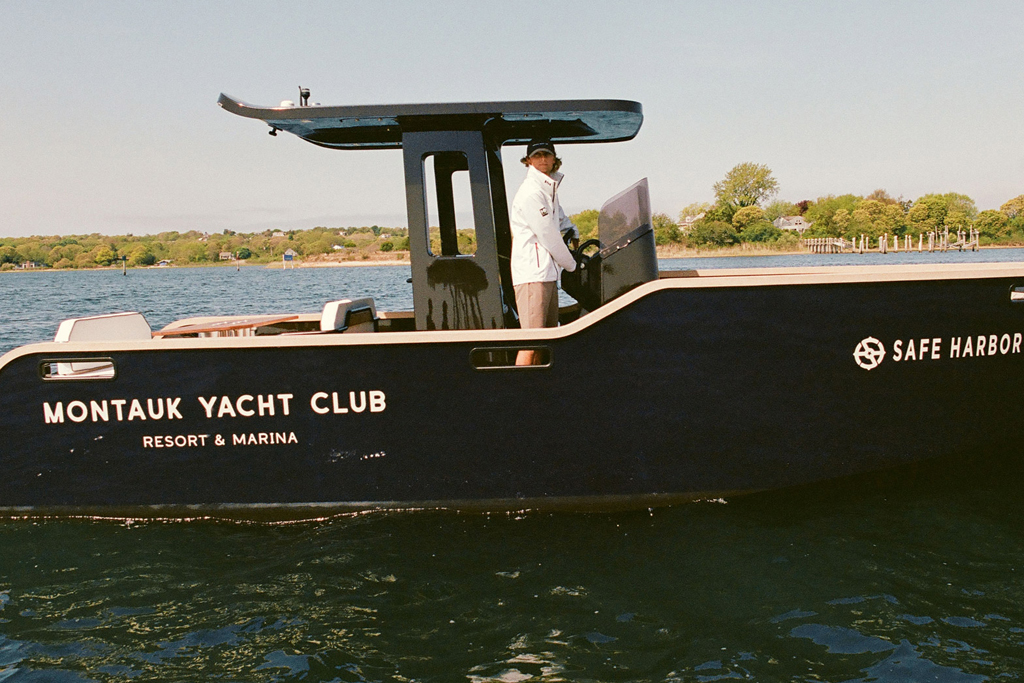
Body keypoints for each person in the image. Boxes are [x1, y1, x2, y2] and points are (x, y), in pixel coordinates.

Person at [510, 140, 579, 365]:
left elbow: (558, 219)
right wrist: (572, 265)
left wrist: (573, 230)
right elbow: (548, 234)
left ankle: (536, 392)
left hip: (547, 274)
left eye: (546, 155)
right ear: (528, 160)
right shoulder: (531, 193)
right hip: (532, 275)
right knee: (531, 342)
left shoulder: (547, 189)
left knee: (547, 339)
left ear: (554, 159)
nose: (542, 160)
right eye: (537, 155)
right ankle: (517, 391)